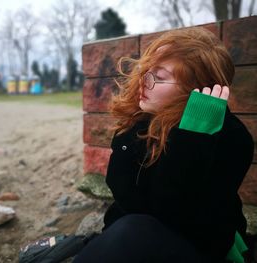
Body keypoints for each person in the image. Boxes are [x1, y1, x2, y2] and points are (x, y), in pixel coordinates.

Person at [73, 27, 254, 263]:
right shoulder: (142, 119)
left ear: (196, 89)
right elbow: (123, 193)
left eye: (159, 76)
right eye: (145, 71)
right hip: (138, 237)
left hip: (199, 245)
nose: (143, 81)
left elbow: (174, 215)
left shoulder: (231, 137)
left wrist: (191, 140)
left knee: (132, 229)